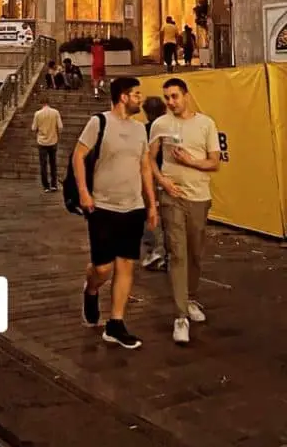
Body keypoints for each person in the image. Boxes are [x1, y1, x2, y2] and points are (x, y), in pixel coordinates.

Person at [72, 76, 157, 350]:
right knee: (103, 268)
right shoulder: (100, 122)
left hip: (132, 207)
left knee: (126, 265)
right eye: (136, 94)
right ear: (123, 96)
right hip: (102, 206)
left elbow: (145, 167)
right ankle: (92, 288)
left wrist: (151, 203)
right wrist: (84, 192)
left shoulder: (140, 130)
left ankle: (115, 323)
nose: (139, 98)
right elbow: (78, 156)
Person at [149, 77, 221, 345]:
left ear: (186, 95)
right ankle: (180, 316)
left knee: (195, 253)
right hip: (171, 197)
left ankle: (190, 298)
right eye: (167, 97)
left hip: (199, 197)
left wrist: (192, 161)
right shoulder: (160, 124)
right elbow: (149, 158)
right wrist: (162, 180)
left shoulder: (206, 124)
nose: (171, 102)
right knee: (177, 253)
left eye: (175, 96)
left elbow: (214, 163)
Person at [140, 96, 168, 270]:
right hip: (169, 177)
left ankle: (157, 253)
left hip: (151, 178)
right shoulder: (171, 128)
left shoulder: (144, 131)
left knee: (151, 215)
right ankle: (164, 252)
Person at [32, 99, 62, 192]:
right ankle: (54, 184)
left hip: (42, 141)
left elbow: (33, 128)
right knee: (53, 164)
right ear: (49, 103)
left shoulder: (37, 114)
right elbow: (60, 126)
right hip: (53, 140)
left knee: (43, 164)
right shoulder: (55, 112)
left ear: (42, 104)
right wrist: (57, 134)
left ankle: (46, 186)